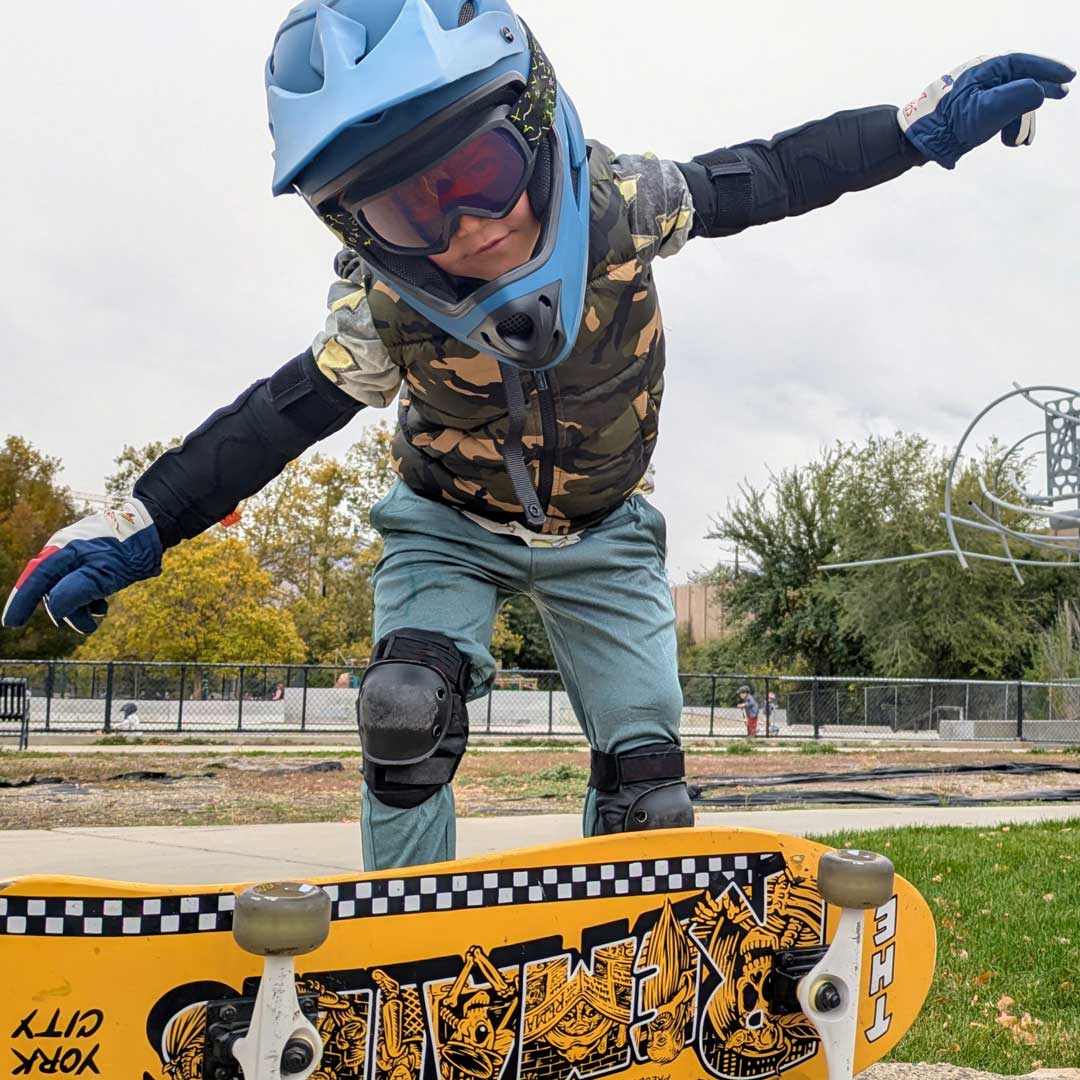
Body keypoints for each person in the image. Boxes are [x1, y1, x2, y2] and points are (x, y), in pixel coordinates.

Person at [1, 1, 1072, 871]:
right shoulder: (381, 309)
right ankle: (411, 938)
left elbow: (775, 173)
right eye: (413, 213)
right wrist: (144, 516)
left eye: (477, 175)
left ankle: (624, 930)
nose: (468, 229)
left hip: (604, 530)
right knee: (406, 710)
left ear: (536, 122)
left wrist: (910, 128)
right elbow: (274, 421)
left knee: (649, 786)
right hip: (447, 521)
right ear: (356, 226)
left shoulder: (625, 201)